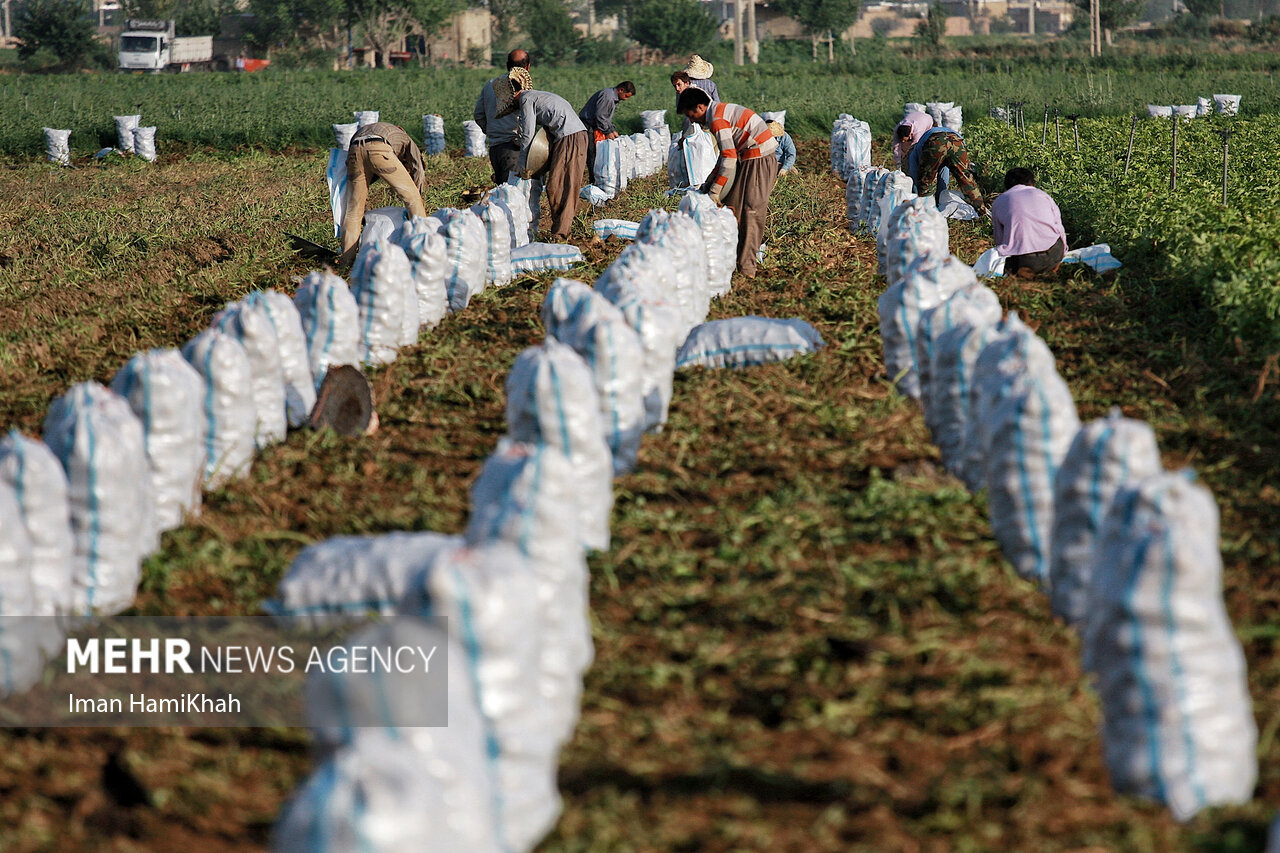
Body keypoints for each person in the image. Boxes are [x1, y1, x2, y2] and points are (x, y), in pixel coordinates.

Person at [678, 87, 778, 279]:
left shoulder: (717, 120)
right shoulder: (718, 112)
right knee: (733, 206)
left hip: (759, 157)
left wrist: (715, 190)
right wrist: (709, 183)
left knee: (751, 211)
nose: (691, 120)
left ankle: (747, 268)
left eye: (691, 115)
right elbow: (725, 157)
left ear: (700, 107)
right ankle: (732, 260)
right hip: (748, 157)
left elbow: (729, 158)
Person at [511, 68, 589, 242]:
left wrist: (523, 167)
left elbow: (528, 134)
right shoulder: (536, 96)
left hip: (571, 138)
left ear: (514, 94)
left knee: (561, 185)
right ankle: (560, 229)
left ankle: (561, 232)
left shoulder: (525, 99)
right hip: (569, 136)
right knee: (558, 185)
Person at [337, 122, 426, 266]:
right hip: (380, 150)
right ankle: (423, 249)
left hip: (354, 152)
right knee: (412, 199)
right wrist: (418, 193)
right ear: (401, 129)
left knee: (353, 211)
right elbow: (418, 167)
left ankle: (346, 261)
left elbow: (357, 163)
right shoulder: (405, 138)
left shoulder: (367, 129)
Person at [894, 110, 987, 217]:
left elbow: (917, 179)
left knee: (925, 183)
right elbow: (944, 173)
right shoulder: (921, 145)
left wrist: (917, 194)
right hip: (957, 140)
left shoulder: (913, 154)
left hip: (936, 141)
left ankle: (925, 215)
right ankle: (981, 212)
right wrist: (940, 197)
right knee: (966, 179)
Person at [990, 167, 1067, 278]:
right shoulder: (1044, 195)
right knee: (1055, 239)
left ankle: (1021, 273)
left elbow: (999, 239)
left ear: (1006, 186)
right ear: (1032, 184)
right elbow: (1060, 229)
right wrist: (1061, 254)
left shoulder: (999, 202)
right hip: (1053, 254)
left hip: (1024, 260)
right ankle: (1053, 269)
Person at [473, 49, 531, 185]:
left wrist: (493, 131)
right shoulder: (523, 88)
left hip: (495, 147)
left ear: (507, 65)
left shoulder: (491, 85)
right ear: (528, 67)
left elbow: (478, 115)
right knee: (513, 195)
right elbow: (527, 120)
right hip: (513, 148)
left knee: (502, 192)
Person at [579, 80, 636, 183]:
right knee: (592, 153)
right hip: (587, 124)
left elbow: (606, 118)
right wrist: (607, 132)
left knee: (597, 152)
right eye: (626, 96)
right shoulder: (608, 97)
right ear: (621, 90)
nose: (626, 99)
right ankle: (594, 181)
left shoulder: (613, 97)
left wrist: (612, 130)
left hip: (595, 125)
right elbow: (600, 117)